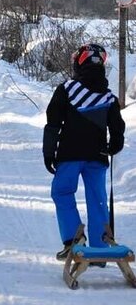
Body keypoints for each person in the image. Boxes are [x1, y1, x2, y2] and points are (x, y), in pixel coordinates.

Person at [42, 43, 125, 262]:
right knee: (98, 198)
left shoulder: (66, 89)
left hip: (69, 155)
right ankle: (101, 246)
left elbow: (52, 124)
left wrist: (49, 152)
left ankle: (73, 241)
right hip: (97, 157)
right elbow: (117, 131)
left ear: (79, 62)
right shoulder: (109, 97)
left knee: (62, 193)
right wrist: (115, 144)